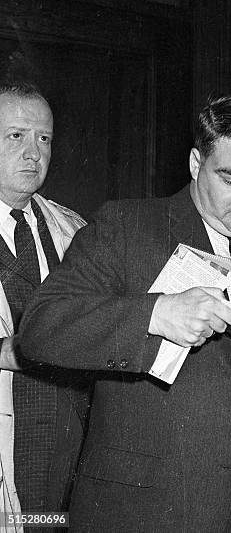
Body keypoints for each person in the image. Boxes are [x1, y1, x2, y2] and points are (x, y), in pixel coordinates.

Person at [19, 94, 231, 531]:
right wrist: (156, 315)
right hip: (143, 513)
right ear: (195, 163)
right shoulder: (126, 227)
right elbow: (39, 328)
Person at [0, 81, 88, 525]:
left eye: (44, 139)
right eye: (16, 136)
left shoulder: (74, 230)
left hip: (67, 453)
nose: (34, 154)